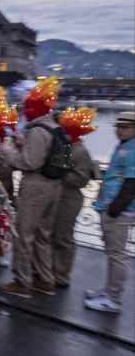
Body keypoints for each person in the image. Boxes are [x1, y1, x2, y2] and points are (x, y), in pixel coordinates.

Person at [0, 77, 64, 298]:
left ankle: (22, 282)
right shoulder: (57, 129)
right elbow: (63, 161)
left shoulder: (37, 131)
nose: (25, 111)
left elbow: (29, 163)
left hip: (35, 188)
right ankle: (46, 280)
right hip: (55, 187)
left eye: (27, 108)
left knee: (24, 235)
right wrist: (22, 144)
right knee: (43, 236)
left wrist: (9, 152)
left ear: (33, 108)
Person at [84, 111, 135, 313]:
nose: (119, 130)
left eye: (125, 127)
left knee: (116, 255)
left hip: (119, 211)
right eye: (117, 126)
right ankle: (108, 291)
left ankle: (113, 299)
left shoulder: (132, 148)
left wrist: (114, 209)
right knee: (112, 253)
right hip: (110, 207)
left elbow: (132, 183)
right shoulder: (124, 145)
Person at [51, 107, 98, 288]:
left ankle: (62, 275)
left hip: (69, 199)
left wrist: (60, 173)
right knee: (54, 235)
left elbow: (80, 179)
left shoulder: (80, 151)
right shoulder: (68, 147)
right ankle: (52, 270)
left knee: (63, 238)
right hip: (59, 196)